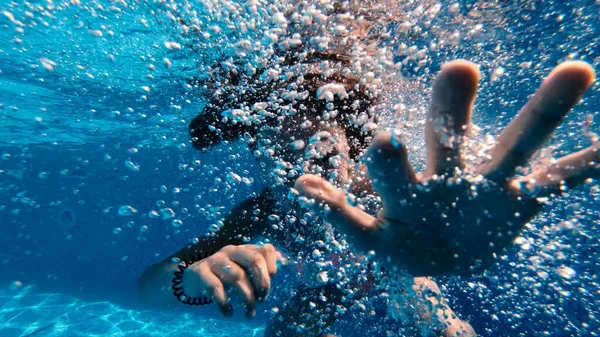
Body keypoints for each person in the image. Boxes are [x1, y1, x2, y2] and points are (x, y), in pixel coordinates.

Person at [138, 49, 476, 336]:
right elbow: (149, 289)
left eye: (324, 157)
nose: (305, 181)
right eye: (286, 159)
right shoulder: (261, 209)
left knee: (429, 307)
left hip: (382, 269)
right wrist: (193, 280)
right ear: (261, 160)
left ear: (350, 154)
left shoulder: (378, 196)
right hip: (328, 288)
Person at [295, 60, 598, 276]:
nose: (322, 144)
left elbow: (445, 323)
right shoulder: (260, 209)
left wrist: (442, 256)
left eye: (325, 158)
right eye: (287, 153)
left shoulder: (389, 205)